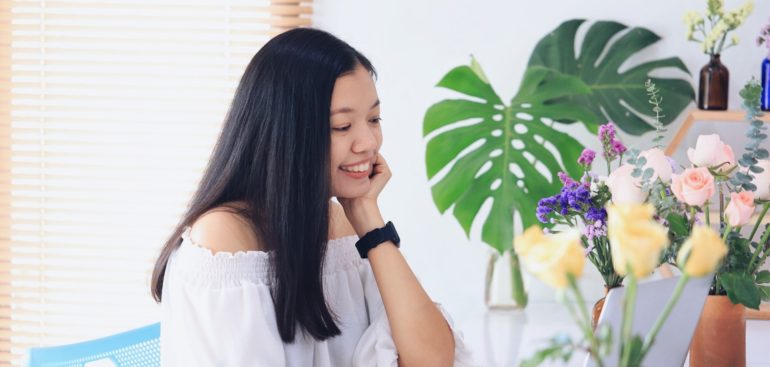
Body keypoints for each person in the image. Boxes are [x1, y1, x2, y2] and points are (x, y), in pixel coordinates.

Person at [150, 28, 476, 366]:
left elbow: (433, 359)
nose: (367, 142)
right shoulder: (223, 239)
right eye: (342, 126)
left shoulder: (343, 223)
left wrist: (368, 218)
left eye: (374, 119)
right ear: (286, 131)